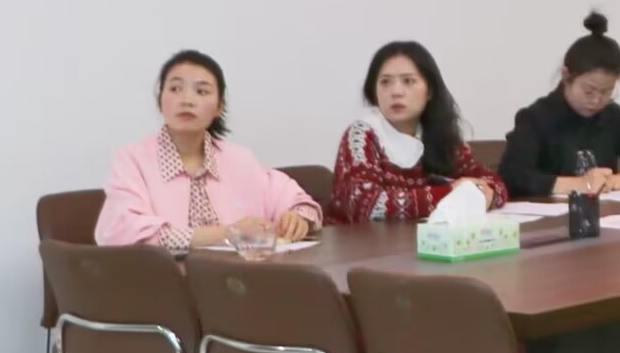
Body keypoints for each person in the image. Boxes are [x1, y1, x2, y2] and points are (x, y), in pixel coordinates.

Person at [95, 50, 322, 251]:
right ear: (160, 101)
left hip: (236, 278)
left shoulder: (239, 158)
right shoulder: (132, 160)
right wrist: (228, 234)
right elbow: (121, 232)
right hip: (162, 281)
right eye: (175, 88)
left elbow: (300, 202)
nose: (186, 100)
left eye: (201, 92)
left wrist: (297, 218)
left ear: (219, 107)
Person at [329, 41, 509, 222]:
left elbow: (494, 184)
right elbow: (365, 205)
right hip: (362, 239)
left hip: (422, 236)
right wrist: (451, 193)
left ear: (429, 90)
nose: (396, 92)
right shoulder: (361, 135)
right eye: (385, 82)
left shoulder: (439, 133)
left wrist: (481, 193)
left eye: (408, 81)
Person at [499, 12, 620, 198]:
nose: (596, 100)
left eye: (606, 92)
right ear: (566, 75)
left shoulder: (612, 116)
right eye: (589, 91)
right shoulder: (536, 117)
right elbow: (512, 176)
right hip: (554, 214)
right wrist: (579, 184)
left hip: (606, 211)